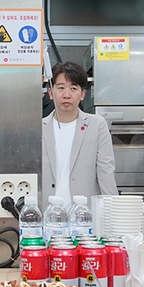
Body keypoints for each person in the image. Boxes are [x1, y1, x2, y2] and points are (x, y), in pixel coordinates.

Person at [40, 61, 117, 205]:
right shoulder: (39, 128)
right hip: (48, 215)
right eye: (61, 88)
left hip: (85, 215)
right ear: (51, 93)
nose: (66, 95)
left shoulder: (97, 125)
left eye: (73, 88)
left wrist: (112, 213)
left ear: (82, 94)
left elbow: (106, 172)